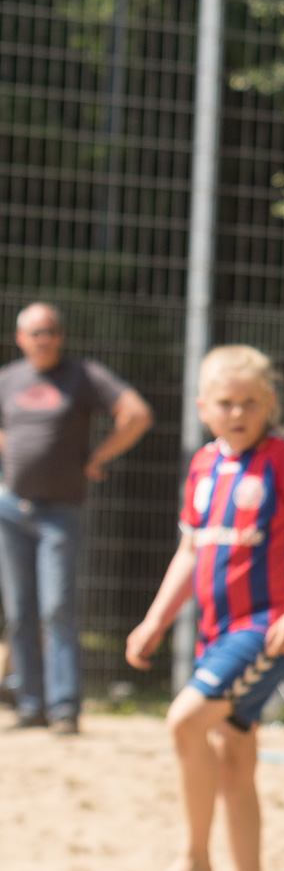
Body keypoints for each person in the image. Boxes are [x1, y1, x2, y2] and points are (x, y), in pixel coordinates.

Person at [124, 345, 284, 871]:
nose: (237, 413)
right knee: (234, 759)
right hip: (216, 633)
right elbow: (190, 550)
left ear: (269, 402)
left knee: (184, 721)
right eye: (225, 402)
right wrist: (156, 618)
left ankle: (195, 857)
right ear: (202, 407)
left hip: (267, 627)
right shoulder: (203, 464)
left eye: (249, 401)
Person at [0, 302, 153, 733]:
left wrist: (98, 455)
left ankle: (64, 708)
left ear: (61, 335)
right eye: (34, 332)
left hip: (60, 511)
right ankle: (31, 706)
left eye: (49, 330)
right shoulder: (8, 379)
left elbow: (137, 413)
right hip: (11, 507)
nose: (42, 338)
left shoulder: (83, 375)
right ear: (20, 338)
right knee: (18, 612)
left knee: (57, 608)